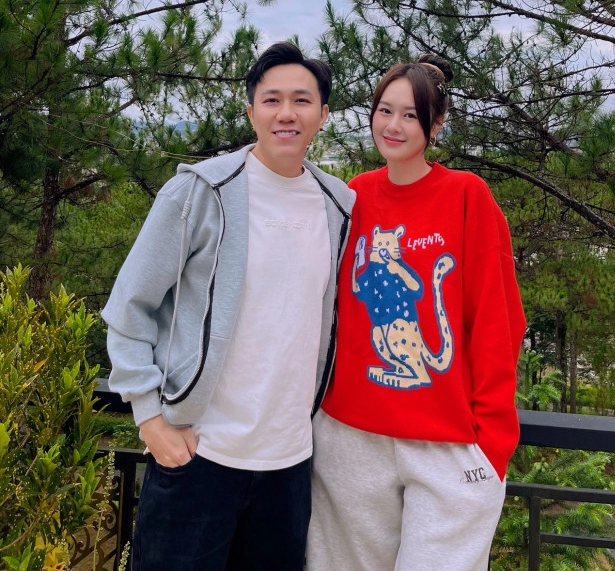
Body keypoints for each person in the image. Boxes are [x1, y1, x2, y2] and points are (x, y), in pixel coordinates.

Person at [102, 41, 354, 571]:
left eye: (302, 100)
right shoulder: (200, 192)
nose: (286, 113)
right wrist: (150, 418)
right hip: (197, 456)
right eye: (272, 99)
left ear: (323, 115)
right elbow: (129, 307)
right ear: (251, 111)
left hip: (289, 467)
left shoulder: (340, 206)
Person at [307, 54, 526, 571]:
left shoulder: (466, 195)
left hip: (446, 444)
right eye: (385, 110)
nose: (394, 125)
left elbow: (497, 320)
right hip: (350, 437)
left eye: (410, 115)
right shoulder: (354, 194)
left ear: (436, 123)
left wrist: (492, 446)